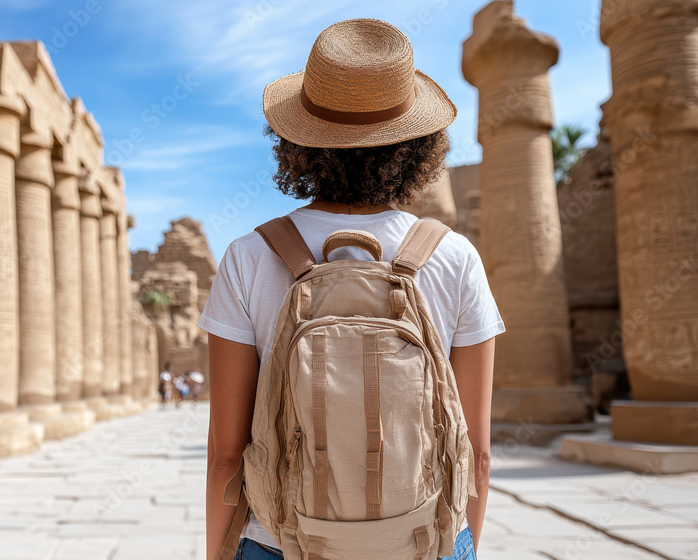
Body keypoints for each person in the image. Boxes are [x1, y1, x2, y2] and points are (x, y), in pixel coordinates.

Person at [199, 19, 503, 560]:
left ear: (296, 141)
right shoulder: (455, 256)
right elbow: (476, 451)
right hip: (422, 539)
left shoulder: (250, 256)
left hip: (280, 542)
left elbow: (227, 455)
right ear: (418, 145)